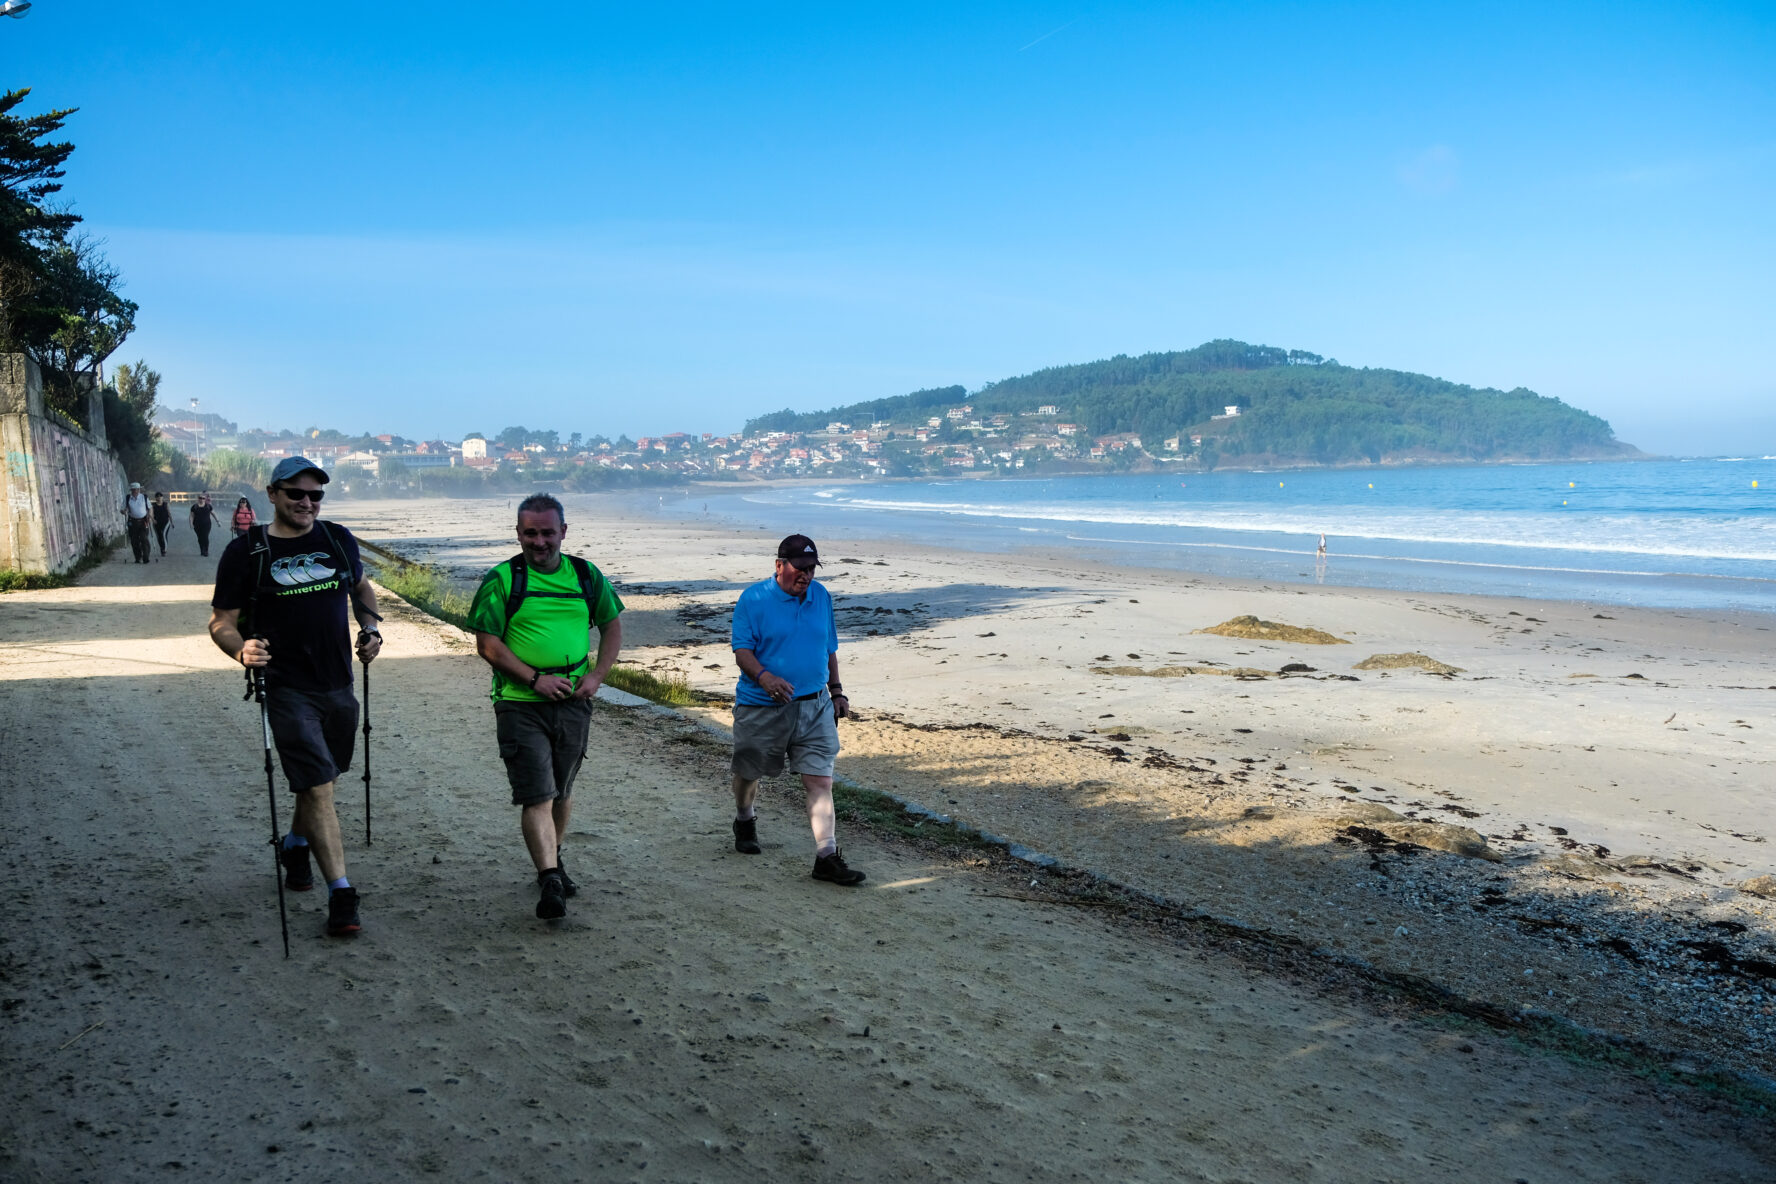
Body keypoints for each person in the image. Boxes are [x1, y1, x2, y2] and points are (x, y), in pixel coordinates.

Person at [208, 457, 383, 937]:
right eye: (295, 493)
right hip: (285, 687)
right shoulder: (247, 551)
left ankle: (294, 844)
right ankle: (342, 893)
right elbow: (221, 620)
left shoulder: (336, 539)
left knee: (324, 777)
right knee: (319, 785)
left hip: (338, 682)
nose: (306, 502)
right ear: (272, 494)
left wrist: (371, 629)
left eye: (315, 495)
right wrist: (240, 649)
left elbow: (361, 587)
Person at [469, 493, 624, 920]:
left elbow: (612, 627)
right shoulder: (502, 579)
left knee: (563, 791)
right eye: (530, 533)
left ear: (563, 532)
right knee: (537, 793)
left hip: (575, 701)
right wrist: (535, 680)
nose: (539, 542)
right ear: (518, 533)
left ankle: (552, 861)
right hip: (519, 703)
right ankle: (550, 878)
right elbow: (487, 643)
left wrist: (596, 677)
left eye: (547, 533)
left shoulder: (586, 576)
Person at [728, 534, 862, 886]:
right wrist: (765, 677)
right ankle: (744, 816)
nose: (806, 576)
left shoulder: (820, 596)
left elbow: (829, 647)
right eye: (800, 569)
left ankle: (826, 857)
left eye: (811, 569)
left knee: (819, 779)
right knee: (749, 771)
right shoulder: (753, 599)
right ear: (779, 566)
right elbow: (742, 651)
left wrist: (836, 691)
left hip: (815, 707)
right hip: (762, 707)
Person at [123, 482, 152, 564]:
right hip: (132, 522)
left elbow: (150, 508)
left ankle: (146, 557)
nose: (135, 491)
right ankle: (138, 557)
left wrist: (149, 515)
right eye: (133, 490)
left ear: (139, 489)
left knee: (144, 539)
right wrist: (124, 511)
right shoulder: (128, 498)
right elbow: (122, 509)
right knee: (134, 540)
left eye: (136, 489)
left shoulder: (144, 497)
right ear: (131, 490)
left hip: (143, 521)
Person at [151, 492, 172, 558]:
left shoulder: (165, 504)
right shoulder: (153, 505)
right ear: (156, 498)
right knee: (159, 536)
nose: (159, 497)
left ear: (162, 497)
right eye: (157, 496)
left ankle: (164, 550)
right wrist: (153, 520)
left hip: (166, 522)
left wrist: (172, 522)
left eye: (160, 496)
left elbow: (169, 513)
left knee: (163, 535)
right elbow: (151, 514)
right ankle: (161, 548)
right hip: (156, 523)